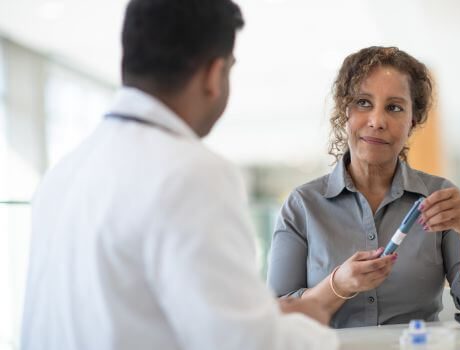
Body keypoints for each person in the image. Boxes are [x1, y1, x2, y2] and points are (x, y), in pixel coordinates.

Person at [20, 0, 339, 349]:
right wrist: (310, 320)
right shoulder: (193, 174)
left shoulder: (63, 172)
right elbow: (244, 343)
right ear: (214, 75)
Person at [267, 46, 460, 328]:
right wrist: (338, 285)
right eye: (364, 103)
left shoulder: (439, 198)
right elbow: (280, 314)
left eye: (394, 108)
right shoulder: (303, 205)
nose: (377, 121)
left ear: (412, 122)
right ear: (345, 112)